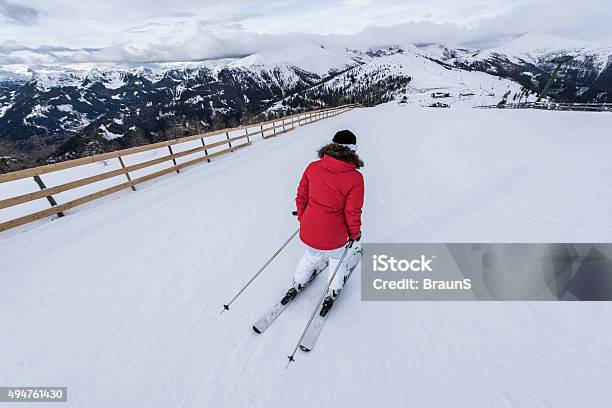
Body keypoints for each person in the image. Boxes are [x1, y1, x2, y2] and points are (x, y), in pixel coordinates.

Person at [282, 130, 364, 314]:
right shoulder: (355, 178)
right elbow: (352, 212)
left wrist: (304, 219)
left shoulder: (313, 167)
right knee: (336, 260)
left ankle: (298, 282)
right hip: (335, 237)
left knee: (310, 257)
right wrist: (355, 234)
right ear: (353, 151)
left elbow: (301, 197)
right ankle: (333, 290)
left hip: (309, 230)